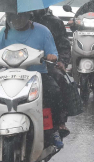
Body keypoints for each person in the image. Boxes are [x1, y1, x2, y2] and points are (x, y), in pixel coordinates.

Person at [0, 12, 65, 149]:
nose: (16, 19)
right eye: (12, 16)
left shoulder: (43, 31)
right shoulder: (4, 32)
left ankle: (55, 129)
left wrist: (52, 57)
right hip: (9, 76)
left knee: (54, 91)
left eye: (20, 16)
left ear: (28, 16)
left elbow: (53, 53)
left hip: (37, 75)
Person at [31, 8, 72, 137]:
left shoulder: (54, 23)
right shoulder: (14, 22)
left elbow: (63, 46)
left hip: (45, 66)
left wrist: (61, 61)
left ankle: (59, 122)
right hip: (19, 67)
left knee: (58, 83)